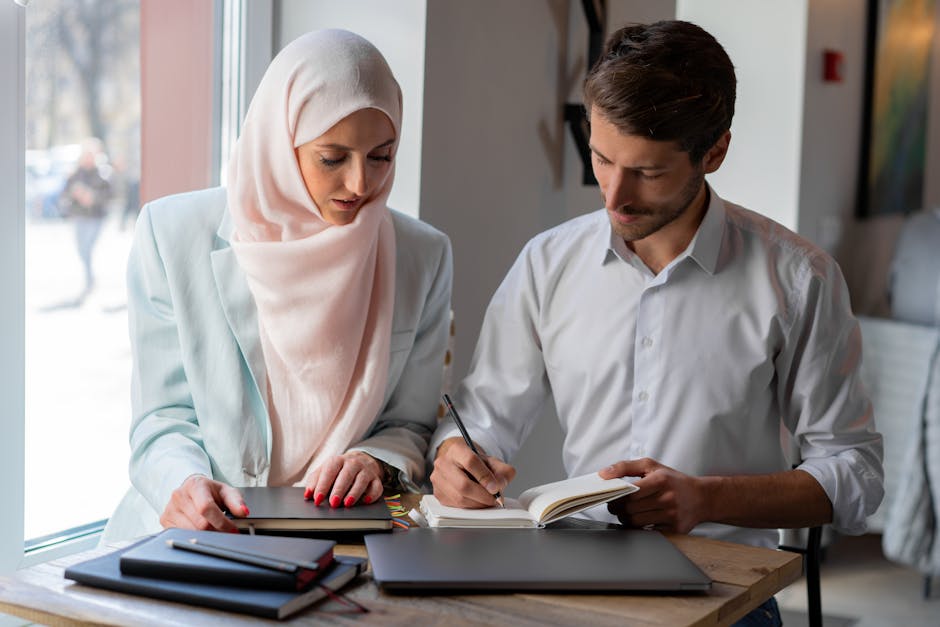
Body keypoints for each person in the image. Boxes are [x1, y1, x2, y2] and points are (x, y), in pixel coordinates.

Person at [429, 21, 883, 627]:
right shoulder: (547, 263)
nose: (614, 195)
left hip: (726, 592)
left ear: (714, 152)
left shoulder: (800, 278)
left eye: (648, 172)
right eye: (601, 158)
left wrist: (705, 498)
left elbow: (855, 475)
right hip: (568, 578)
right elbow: (481, 419)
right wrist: (460, 459)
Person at [103, 29, 452, 541]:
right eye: (333, 158)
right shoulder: (172, 235)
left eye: (381, 156)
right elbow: (162, 418)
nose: (361, 184)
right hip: (195, 537)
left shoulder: (423, 255)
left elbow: (411, 424)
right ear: (280, 143)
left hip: (341, 545)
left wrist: (372, 460)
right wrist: (186, 483)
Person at [60, 138, 111, 301]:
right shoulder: (75, 173)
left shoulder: (103, 173)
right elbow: (64, 194)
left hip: (95, 217)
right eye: (86, 154)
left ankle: (89, 281)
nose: (88, 157)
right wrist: (75, 193)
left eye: (91, 154)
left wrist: (92, 197)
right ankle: (90, 279)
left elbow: (110, 196)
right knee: (81, 249)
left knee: (87, 248)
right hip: (79, 216)